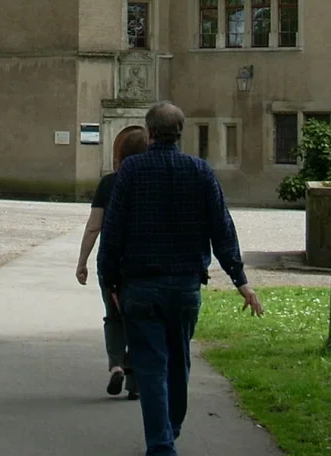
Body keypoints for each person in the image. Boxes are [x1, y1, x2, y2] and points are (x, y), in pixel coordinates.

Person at [97, 101, 263, 456]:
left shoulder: (131, 172)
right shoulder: (199, 171)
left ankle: (161, 443)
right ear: (181, 132)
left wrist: (108, 280)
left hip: (140, 285)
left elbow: (112, 232)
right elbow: (222, 228)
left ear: (150, 132)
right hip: (186, 285)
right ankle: (169, 430)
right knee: (178, 362)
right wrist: (240, 279)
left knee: (152, 366)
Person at [75, 125, 149, 399]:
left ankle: (116, 364)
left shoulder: (109, 183)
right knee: (141, 321)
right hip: (142, 262)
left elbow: (94, 226)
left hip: (112, 262)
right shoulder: (150, 181)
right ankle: (136, 385)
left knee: (113, 317)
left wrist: (82, 261)